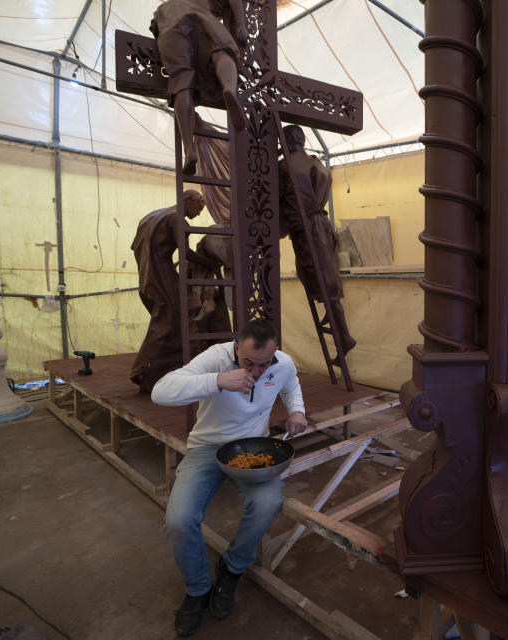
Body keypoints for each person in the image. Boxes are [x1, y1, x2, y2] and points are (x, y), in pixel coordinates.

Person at [151, 319, 308, 637]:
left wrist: (297, 411)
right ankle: (198, 589)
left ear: (275, 353)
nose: (256, 370)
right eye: (249, 361)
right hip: (207, 450)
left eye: (264, 363)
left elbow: (291, 385)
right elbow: (160, 392)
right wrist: (219, 380)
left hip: (253, 448)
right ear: (236, 348)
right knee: (179, 520)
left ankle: (232, 568)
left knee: (267, 503)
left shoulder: (282, 364)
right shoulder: (216, 357)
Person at [279, 124, 356, 366]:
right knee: (326, 282)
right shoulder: (318, 163)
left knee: (320, 280)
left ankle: (343, 336)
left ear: (287, 141)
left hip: (308, 231)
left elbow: (277, 200)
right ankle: (341, 333)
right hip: (322, 226)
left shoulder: (284, 165)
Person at [130, 190, 221, 394]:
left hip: (146, 274)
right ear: (189, 201)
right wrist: (208, 262)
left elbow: (135, 247)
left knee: (167, 320)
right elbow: (185, 252)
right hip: (161, 274)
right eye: (199, 207)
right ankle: (141, 371)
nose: (198, 213)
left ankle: (160, 369)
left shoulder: (151, 217)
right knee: (167, 321)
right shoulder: (178, 219)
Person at [150, 0, 248, 175]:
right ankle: (228, 88)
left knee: (181, 82)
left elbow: (155, 30)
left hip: (169, 29)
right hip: (201, 16)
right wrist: (241, 25)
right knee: (223, 51)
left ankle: (189, 150)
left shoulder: (161, 9)